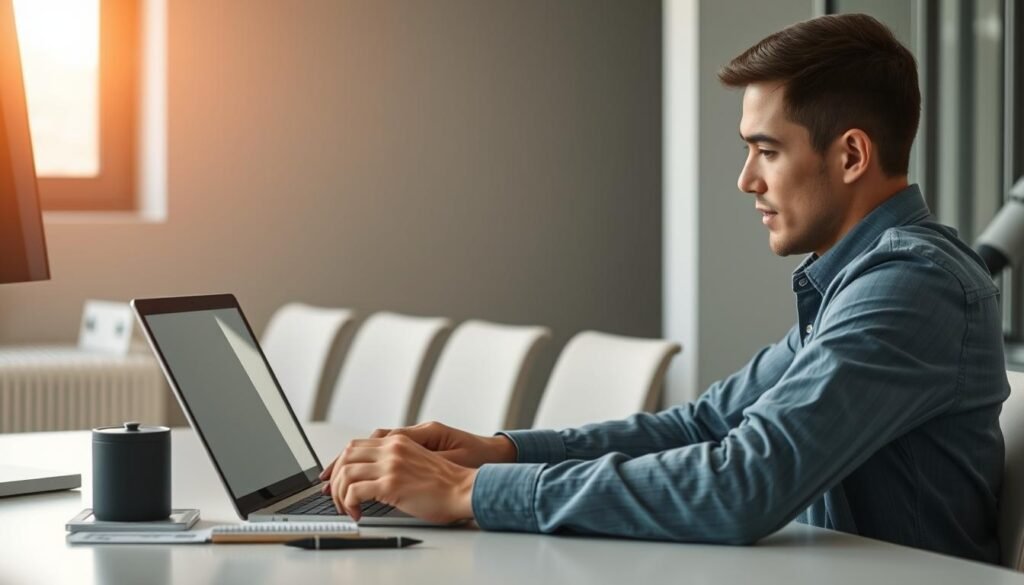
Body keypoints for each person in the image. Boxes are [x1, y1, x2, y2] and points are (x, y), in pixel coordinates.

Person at [320, 13, 1009, 564]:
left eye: (766, 150)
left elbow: (742, 485)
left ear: (851, 154)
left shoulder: (911, 286)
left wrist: (471, 490)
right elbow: (702, 425)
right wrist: (500, 452)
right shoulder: (857, 281)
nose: (746, 180)